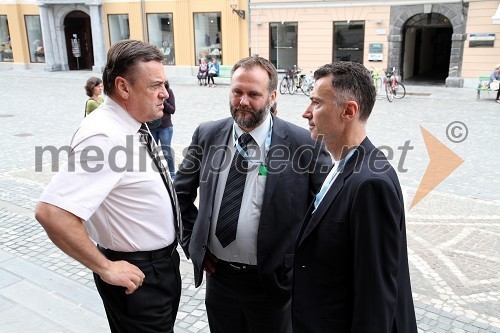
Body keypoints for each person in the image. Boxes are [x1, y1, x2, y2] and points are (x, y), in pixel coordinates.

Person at [174, 56, 331, 333]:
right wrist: (191, 242)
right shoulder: (207, 135)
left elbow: (327, 214)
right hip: (219, 280)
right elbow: (180, 195)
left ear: (272, 97)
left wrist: (300, 270)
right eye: (237, 92)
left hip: (273, 285)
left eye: (253, 94)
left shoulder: (304, 145)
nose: (243, 101)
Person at [35, 40, 182, 333]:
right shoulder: (105, 136)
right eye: (155, 85)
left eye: (165, 84)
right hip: (139, 273)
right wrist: (105, 267)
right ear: (123, 87)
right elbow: (51, 212)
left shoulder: (129, 123)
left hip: (155, 267)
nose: (165, 94)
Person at [292, 61, 417, 333]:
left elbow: (375, 297)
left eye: (316, 103)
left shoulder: (370, 184)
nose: (306, 113)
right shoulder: (343, 165)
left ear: (348, 111)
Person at [150, 80, 176, 179]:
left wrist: (163, 101)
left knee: (166, 151)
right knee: (153, 151)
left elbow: (172, 110)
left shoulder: (168, 92)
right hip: (152, 126)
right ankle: (157, 173)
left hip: (165, 127)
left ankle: (172, 174)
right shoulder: (152, 93)